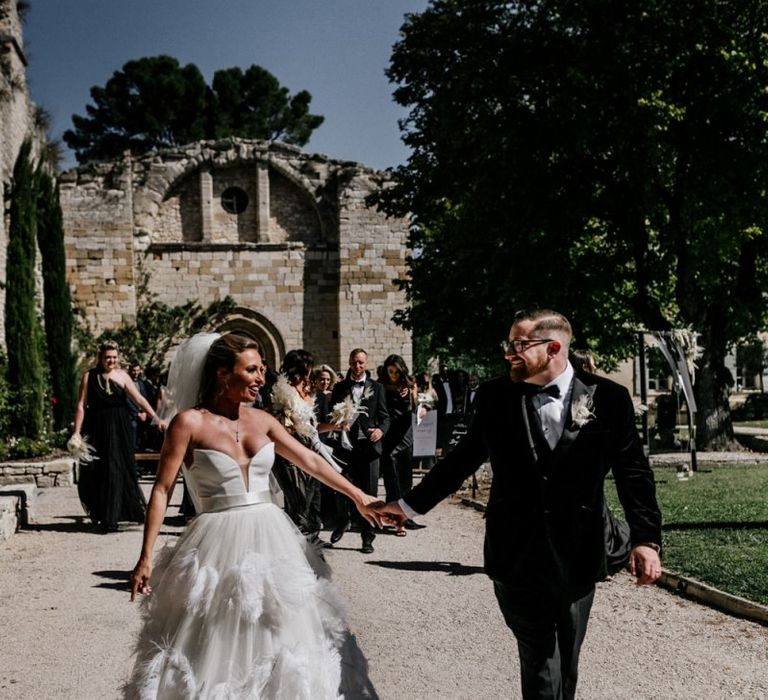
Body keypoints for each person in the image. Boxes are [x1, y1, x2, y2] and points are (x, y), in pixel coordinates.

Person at [376, 309, 662, 700]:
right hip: (516, 555)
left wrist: (646, 539)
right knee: (541, 663)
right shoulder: (495, 397)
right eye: (509, 344)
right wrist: (407, 506)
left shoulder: (609, 399)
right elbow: (461, 460)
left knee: (567, 663)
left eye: (519, 345)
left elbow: (634, 474)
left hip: (579, 554)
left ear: (553, 348)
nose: (510, 353)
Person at [126, 333, 381, 698]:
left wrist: (358, 496)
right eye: (251, 369)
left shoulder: (262, 420)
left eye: (262, 369)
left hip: (271, 533)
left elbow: (309, 459)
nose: (262, 378)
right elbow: (163, 490)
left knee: (280, 628)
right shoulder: (189, 423)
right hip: (217, 540)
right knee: (217, 636)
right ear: (222, 374)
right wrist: (145, 557)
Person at [70, 341, 167, 533]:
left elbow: (138, 399)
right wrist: (77, 431)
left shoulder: (122, 376)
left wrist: (156, 417)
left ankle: (112, 517)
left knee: (117, 467)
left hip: (119, 426)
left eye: (114, 357)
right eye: (107, 357)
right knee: (97, 469)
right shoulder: (89, 376)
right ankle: (101, 513)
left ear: (118, 357)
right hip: (96, 426)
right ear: (100, 358)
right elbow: (81, 405)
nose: (111, 361)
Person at [270, 349, 341, 545]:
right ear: (304, 368)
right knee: (298, 503)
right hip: (290, 456)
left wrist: (334, 426)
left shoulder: (306, 393)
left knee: (311, 500)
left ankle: (309, 539)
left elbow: (313, 427)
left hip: (309, 451)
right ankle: (296, 546)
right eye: (309, 367)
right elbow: (280, 426)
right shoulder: (284, 392)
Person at [328, 348, 390, 554]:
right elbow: (331, 413)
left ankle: (367, 538)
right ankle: (343, 520)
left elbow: (385, 416)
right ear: (349, 362)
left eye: (361, 363)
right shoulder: (340, 387)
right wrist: (338, 421)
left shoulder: (377, 388)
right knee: (341, 489)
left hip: (369, 449)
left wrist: (380, 430)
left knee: (370, 493)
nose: (357, 366)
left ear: (366, 364)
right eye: (354, 362)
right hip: (346, 446)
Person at [378, 354, 425, 533]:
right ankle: (391, 519)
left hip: (405, 436)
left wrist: (418, 404)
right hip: (389, 437)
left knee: (406, 478)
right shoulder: (382, 386)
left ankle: (407, 517)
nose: (394, 376)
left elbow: (415, 407)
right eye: (390, 372)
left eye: (397, 372)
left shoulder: (411, 383)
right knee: (392, 480)